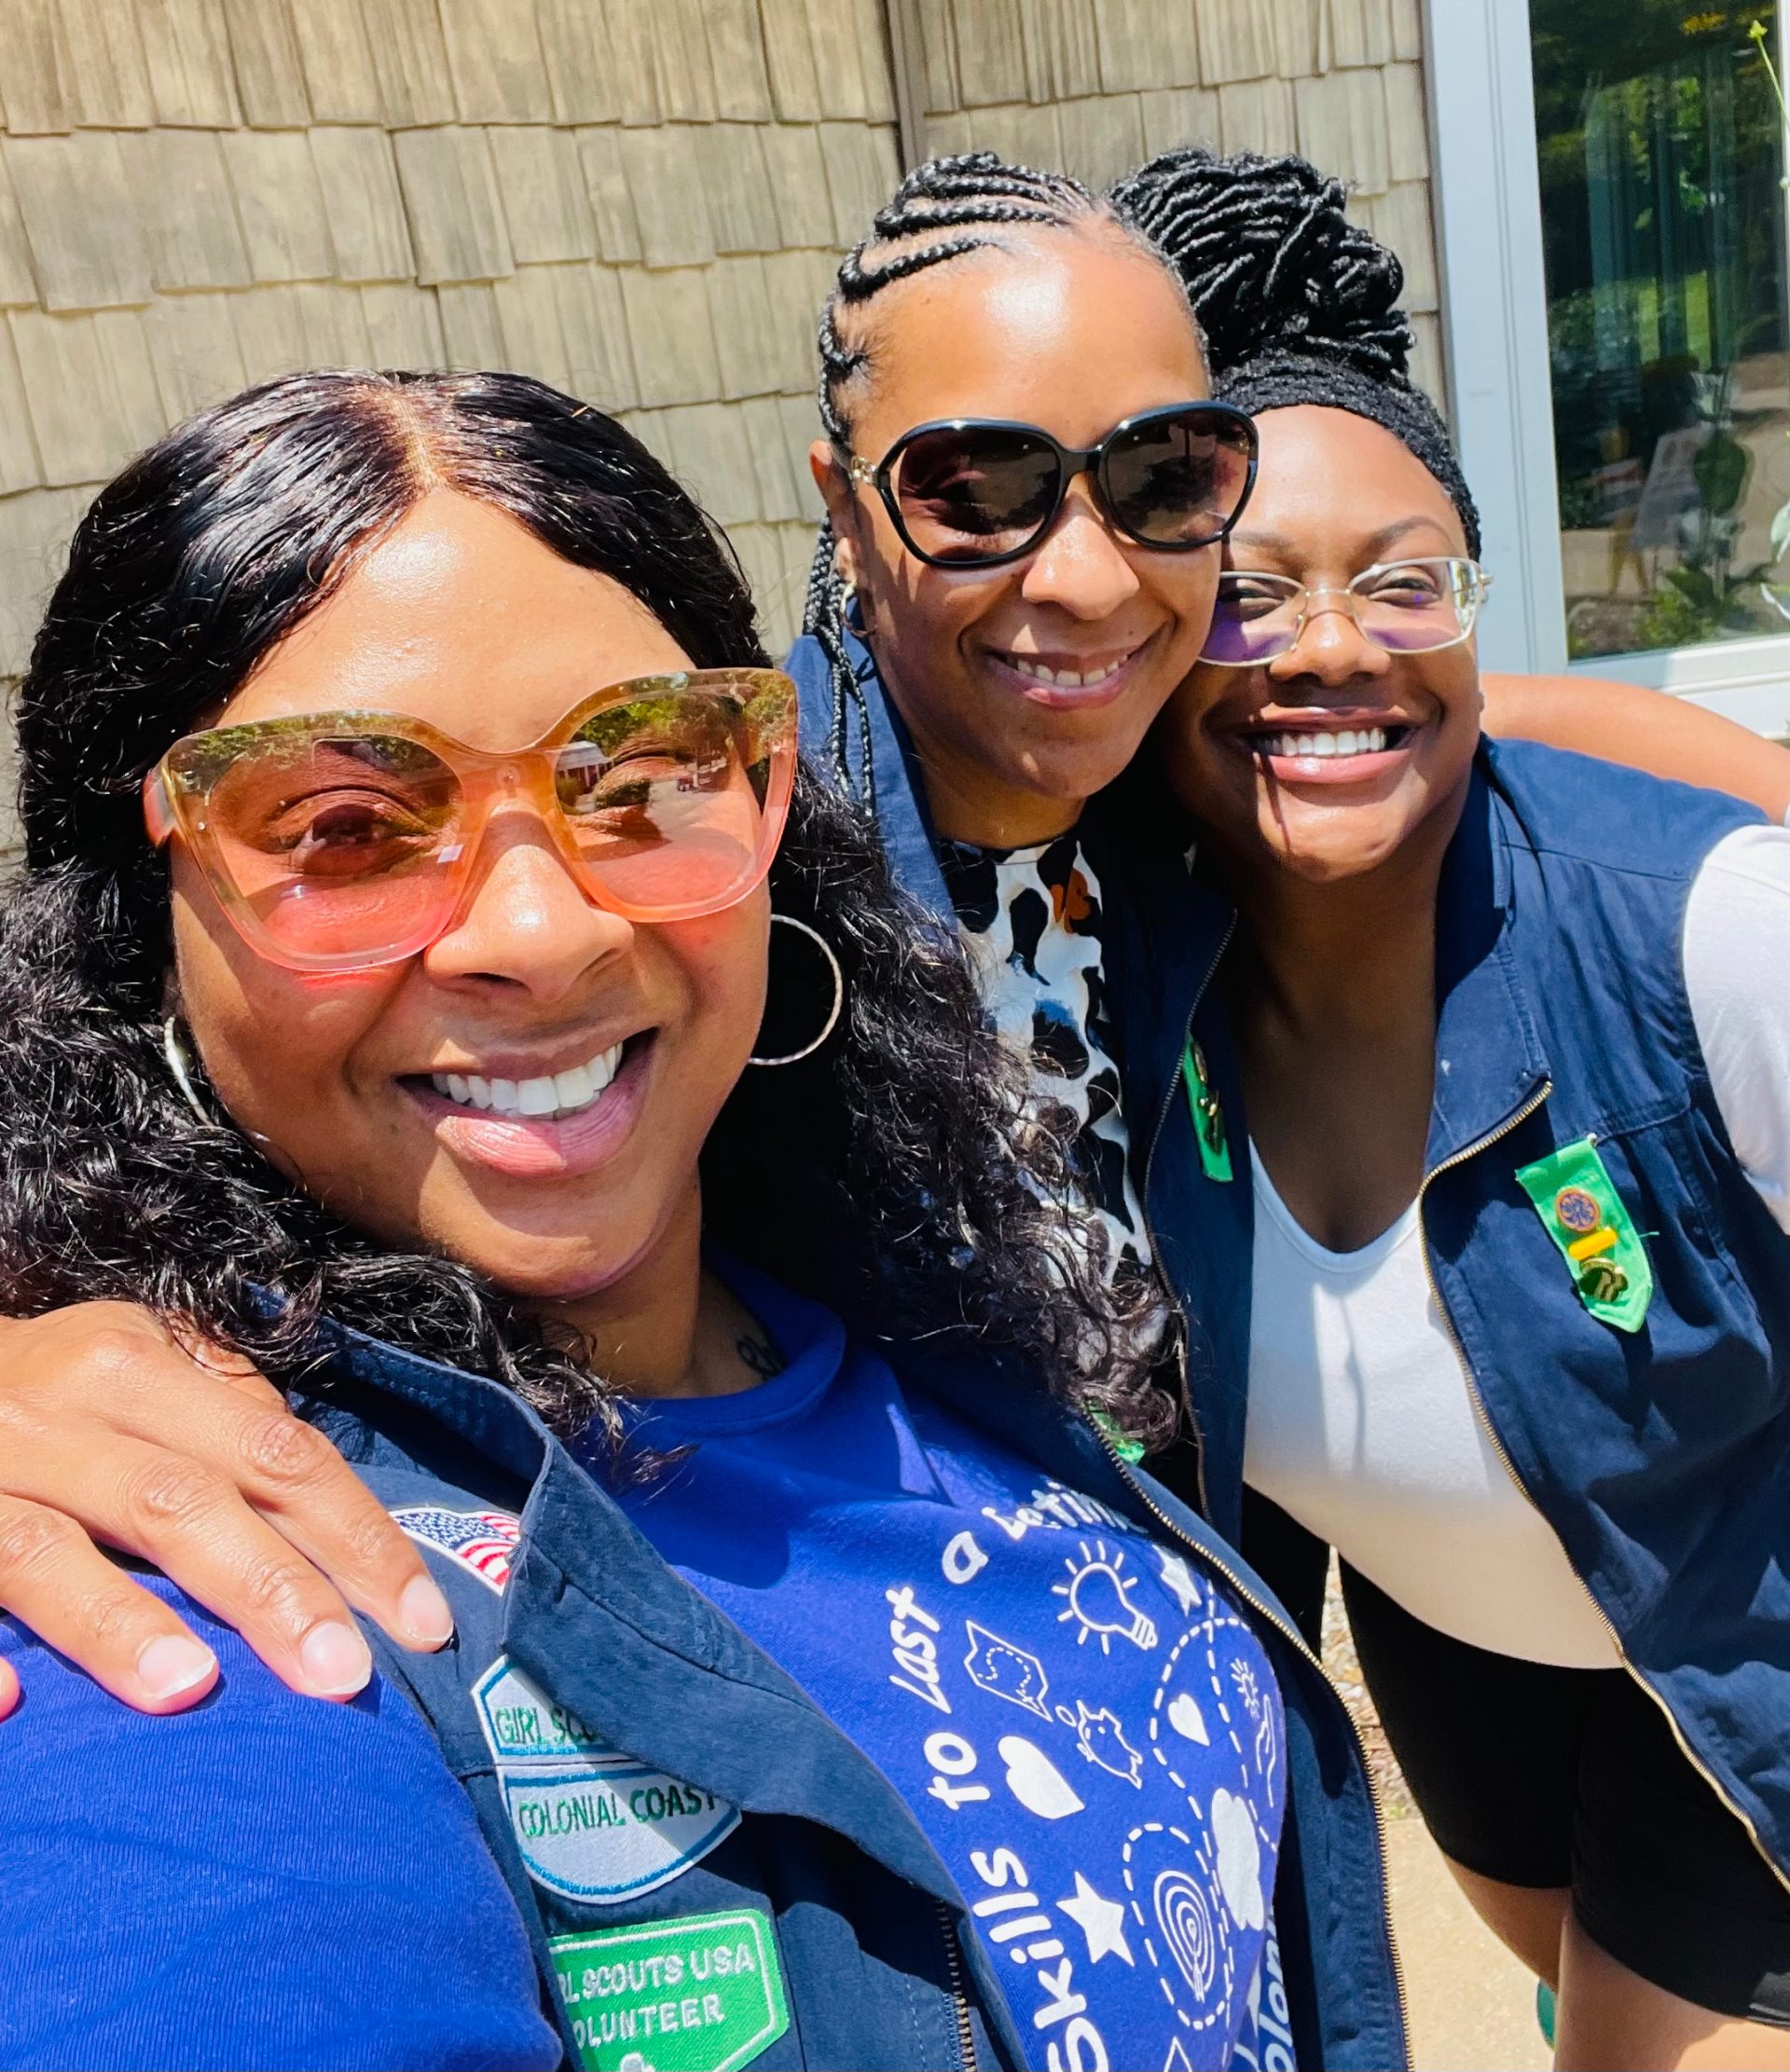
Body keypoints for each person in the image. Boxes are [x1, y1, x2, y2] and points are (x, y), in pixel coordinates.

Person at [1, 152, 1786, 1725]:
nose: (1083, 575)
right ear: (843, 509)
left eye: (1167, 477)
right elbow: (126, 1063)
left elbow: (1483, 723)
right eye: (979, 487)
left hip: (1185, 1669)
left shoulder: (1180, 800)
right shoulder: (694, 839)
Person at [0, 368, 1398, 2072]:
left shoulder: (878, 1281)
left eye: (640, 775)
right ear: (138, 922)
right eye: (348, 828)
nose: (547, 929)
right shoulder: (190, 1586)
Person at [1095, 145, 1790, 2069]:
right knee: (1565, 1974)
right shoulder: (1109, 955)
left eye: (1404, 581)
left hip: (1748, 1641)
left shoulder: (1714, 938)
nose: (1331, 641)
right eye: (1246, 598)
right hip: (1462, 1639)